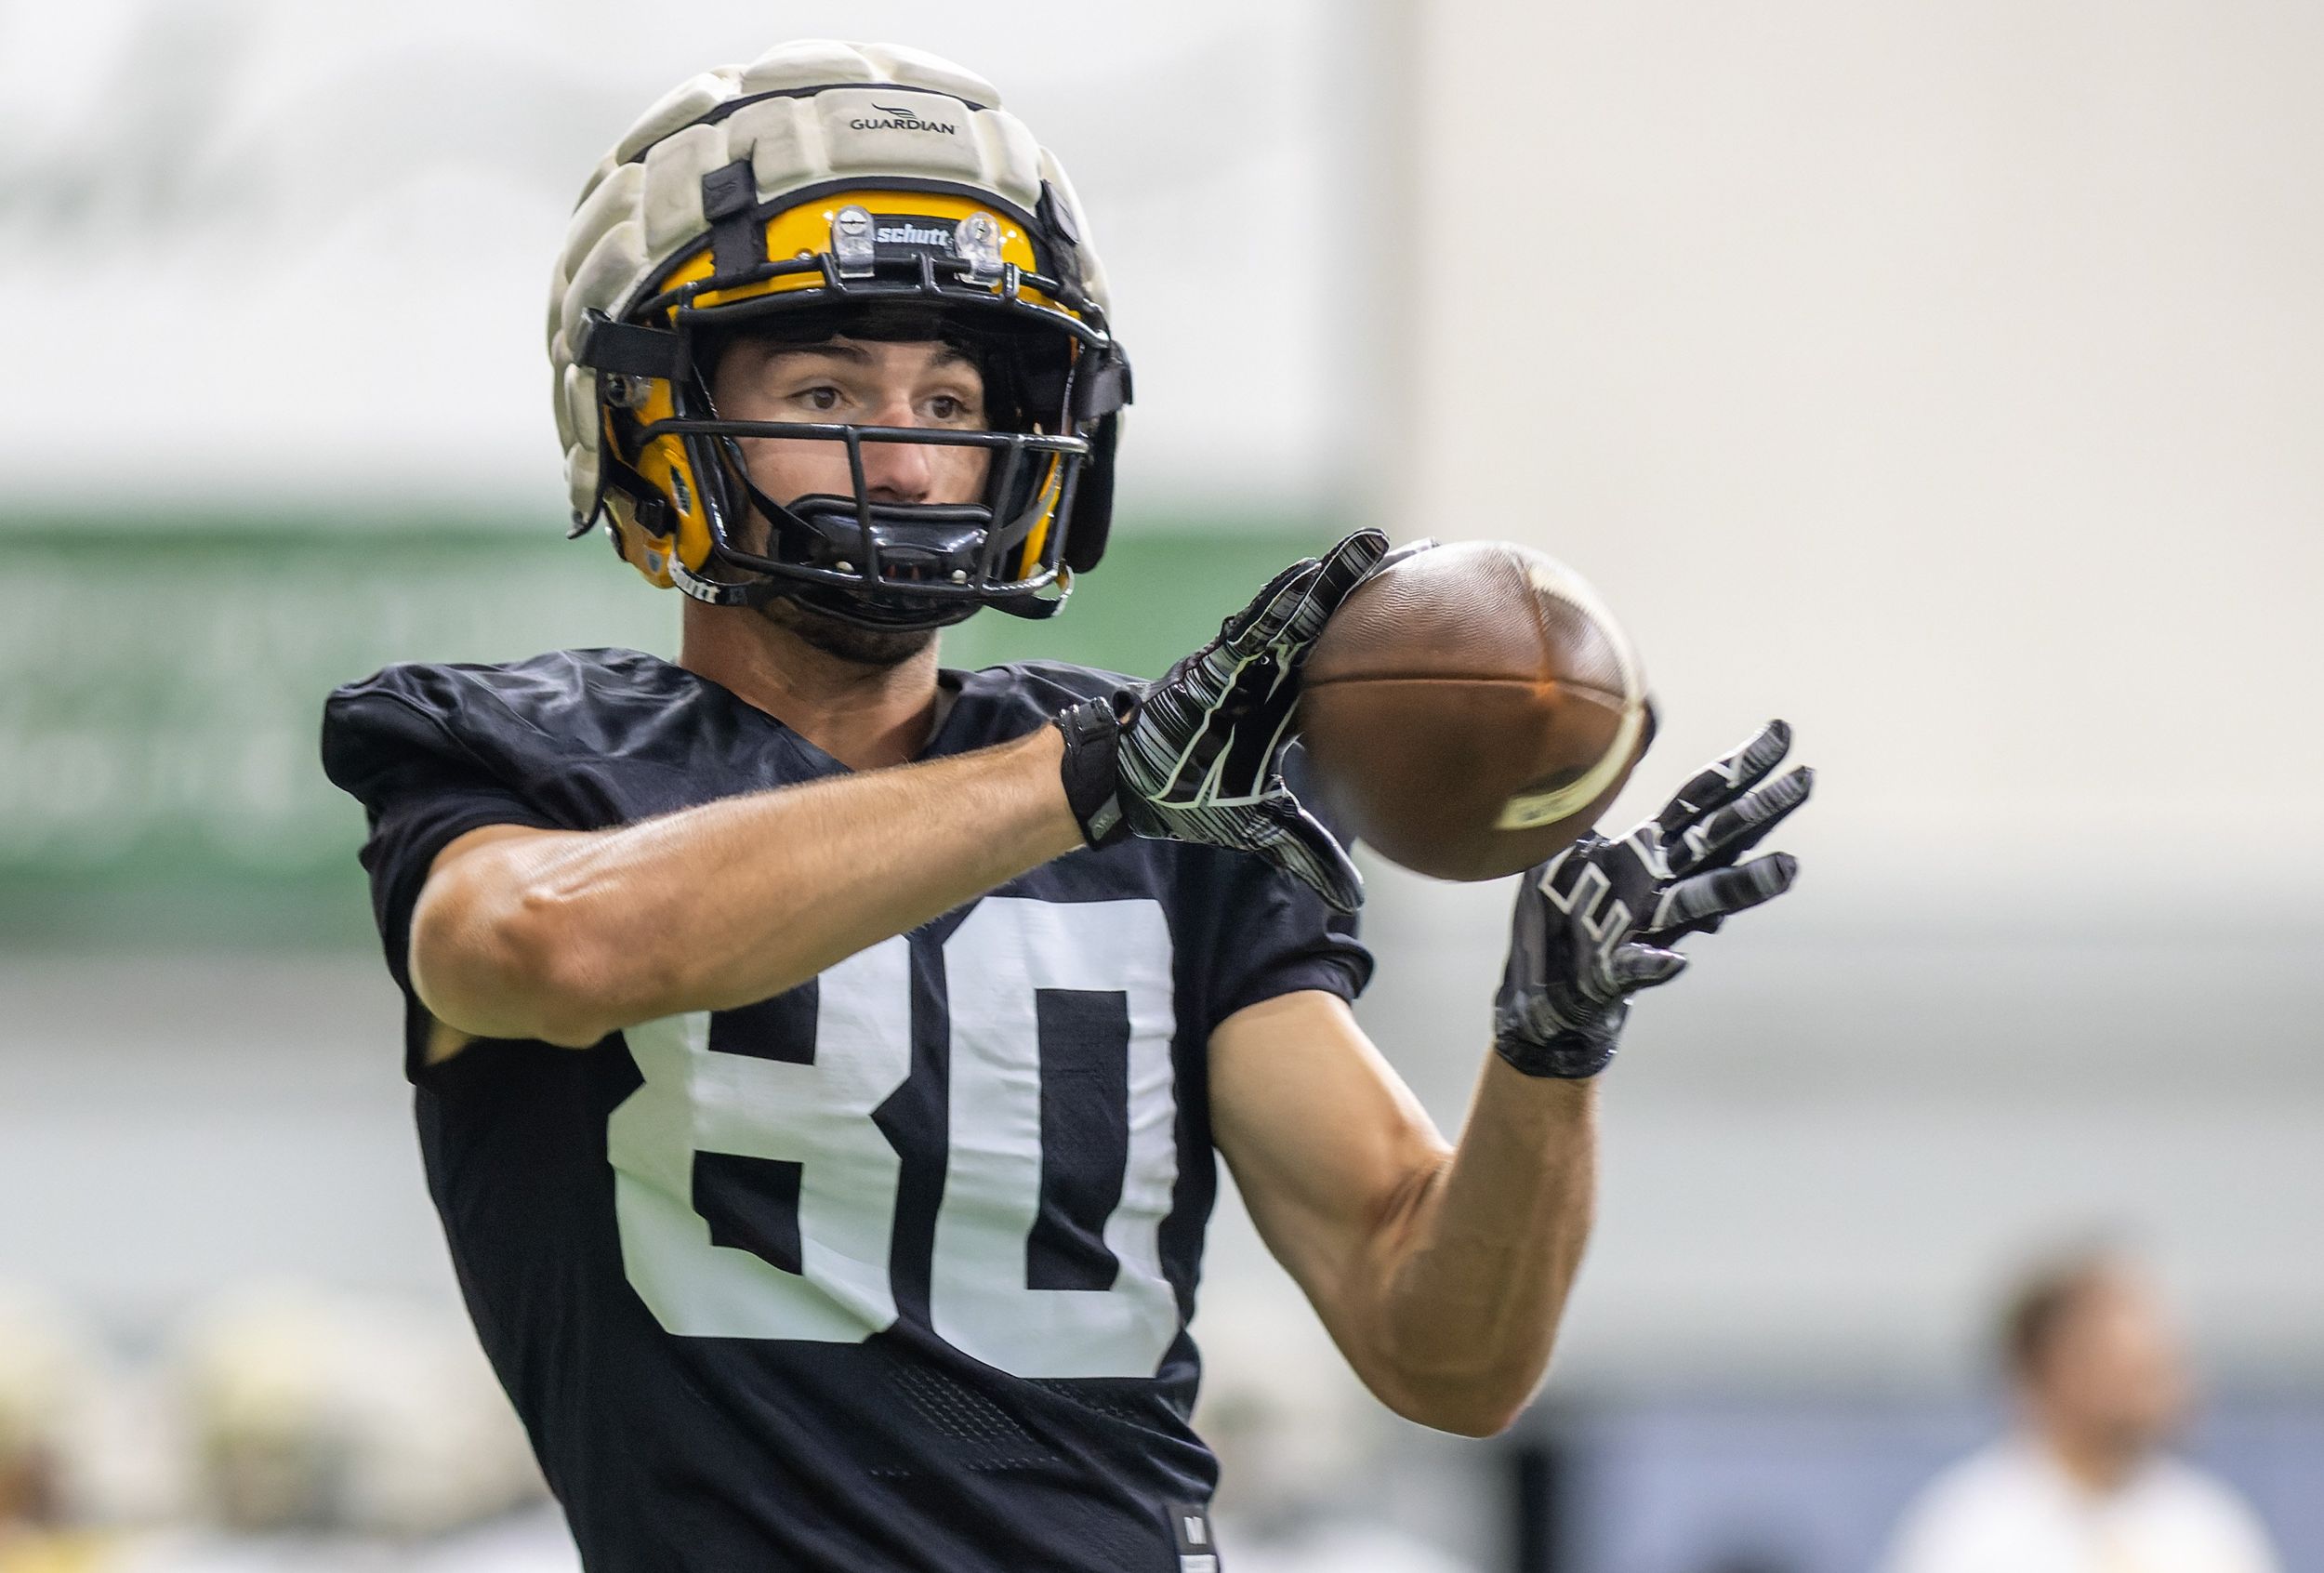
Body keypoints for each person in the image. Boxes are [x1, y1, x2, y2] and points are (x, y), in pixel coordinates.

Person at [320, 39, 1810, 1572]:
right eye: (826, 386)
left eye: (952, 397)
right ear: (647, 417)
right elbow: (555, 949)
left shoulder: (1160, 817)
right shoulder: (518, 752)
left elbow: (1444, 1347)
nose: (903, 459)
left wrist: (1546, 1059)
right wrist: (1083, 783)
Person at [1879, 1250, 2281, 1573]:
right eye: (2124, 1367)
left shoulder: (2207, 1525)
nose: (2157, 1387)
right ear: (2051, 1371)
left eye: (2156, 1366)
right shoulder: (1967, 1529)